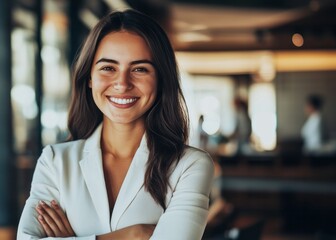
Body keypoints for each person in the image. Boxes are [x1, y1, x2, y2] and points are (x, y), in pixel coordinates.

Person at [17, 9, 214, 240]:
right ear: (89, 78)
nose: (122, 84)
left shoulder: (189, 166)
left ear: (161, 79)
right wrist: (134, 234)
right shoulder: (55, 161)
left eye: (140, 69)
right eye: (108, 68)